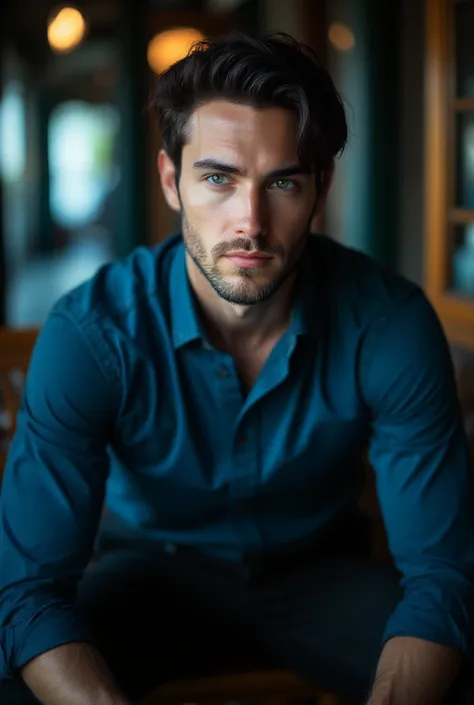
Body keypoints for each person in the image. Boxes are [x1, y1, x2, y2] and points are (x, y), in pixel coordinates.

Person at [1, 31, 474, 705]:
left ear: (320, 188)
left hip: (318, 572)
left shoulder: (388, 324)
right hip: (149, 571)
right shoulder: (92, 331)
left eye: (281, 182)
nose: (249, 222)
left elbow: (443, 577)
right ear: (172, 179)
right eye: (218, 178)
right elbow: (26, 590)